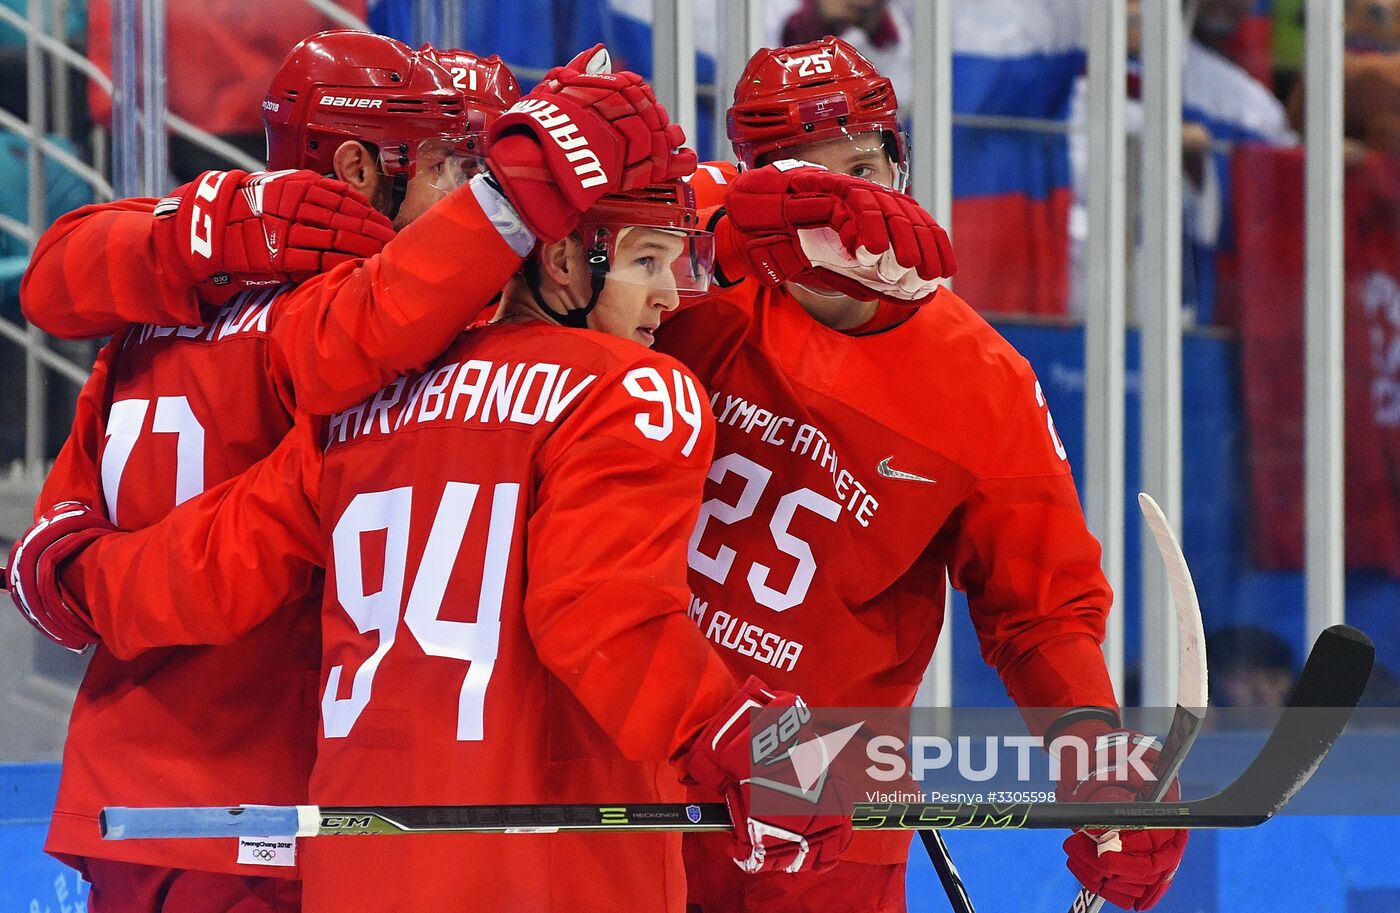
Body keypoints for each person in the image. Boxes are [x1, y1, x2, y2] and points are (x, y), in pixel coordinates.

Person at [9, 181, 854, 911]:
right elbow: (604, 617)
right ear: (560, 261)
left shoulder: (368, 399)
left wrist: (70, 574)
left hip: (358, 864)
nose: (672, 296)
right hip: (552, 866)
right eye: (645, 262)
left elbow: (209, 569)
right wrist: (755, 744)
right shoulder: (632, 386)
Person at [12, 31, 695, 913]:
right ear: (359, 168)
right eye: (452, 166)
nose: (460, 197)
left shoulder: (149, 321)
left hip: (127, 789)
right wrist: (524, 190)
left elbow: (57, 542)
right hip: (265, 797)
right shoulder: (348, 345)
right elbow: (375, 325)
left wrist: (69, 577)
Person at [662, 36, 1189, 912]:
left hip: (827, 796)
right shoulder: (678, 282)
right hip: (637, 755)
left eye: (862, 168)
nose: (844, 207)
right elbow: (562, 245)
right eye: (804, 180)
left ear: (900, 164)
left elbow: (1042, 607)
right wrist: (718, 216)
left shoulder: (984, 380)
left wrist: (1096, 753)